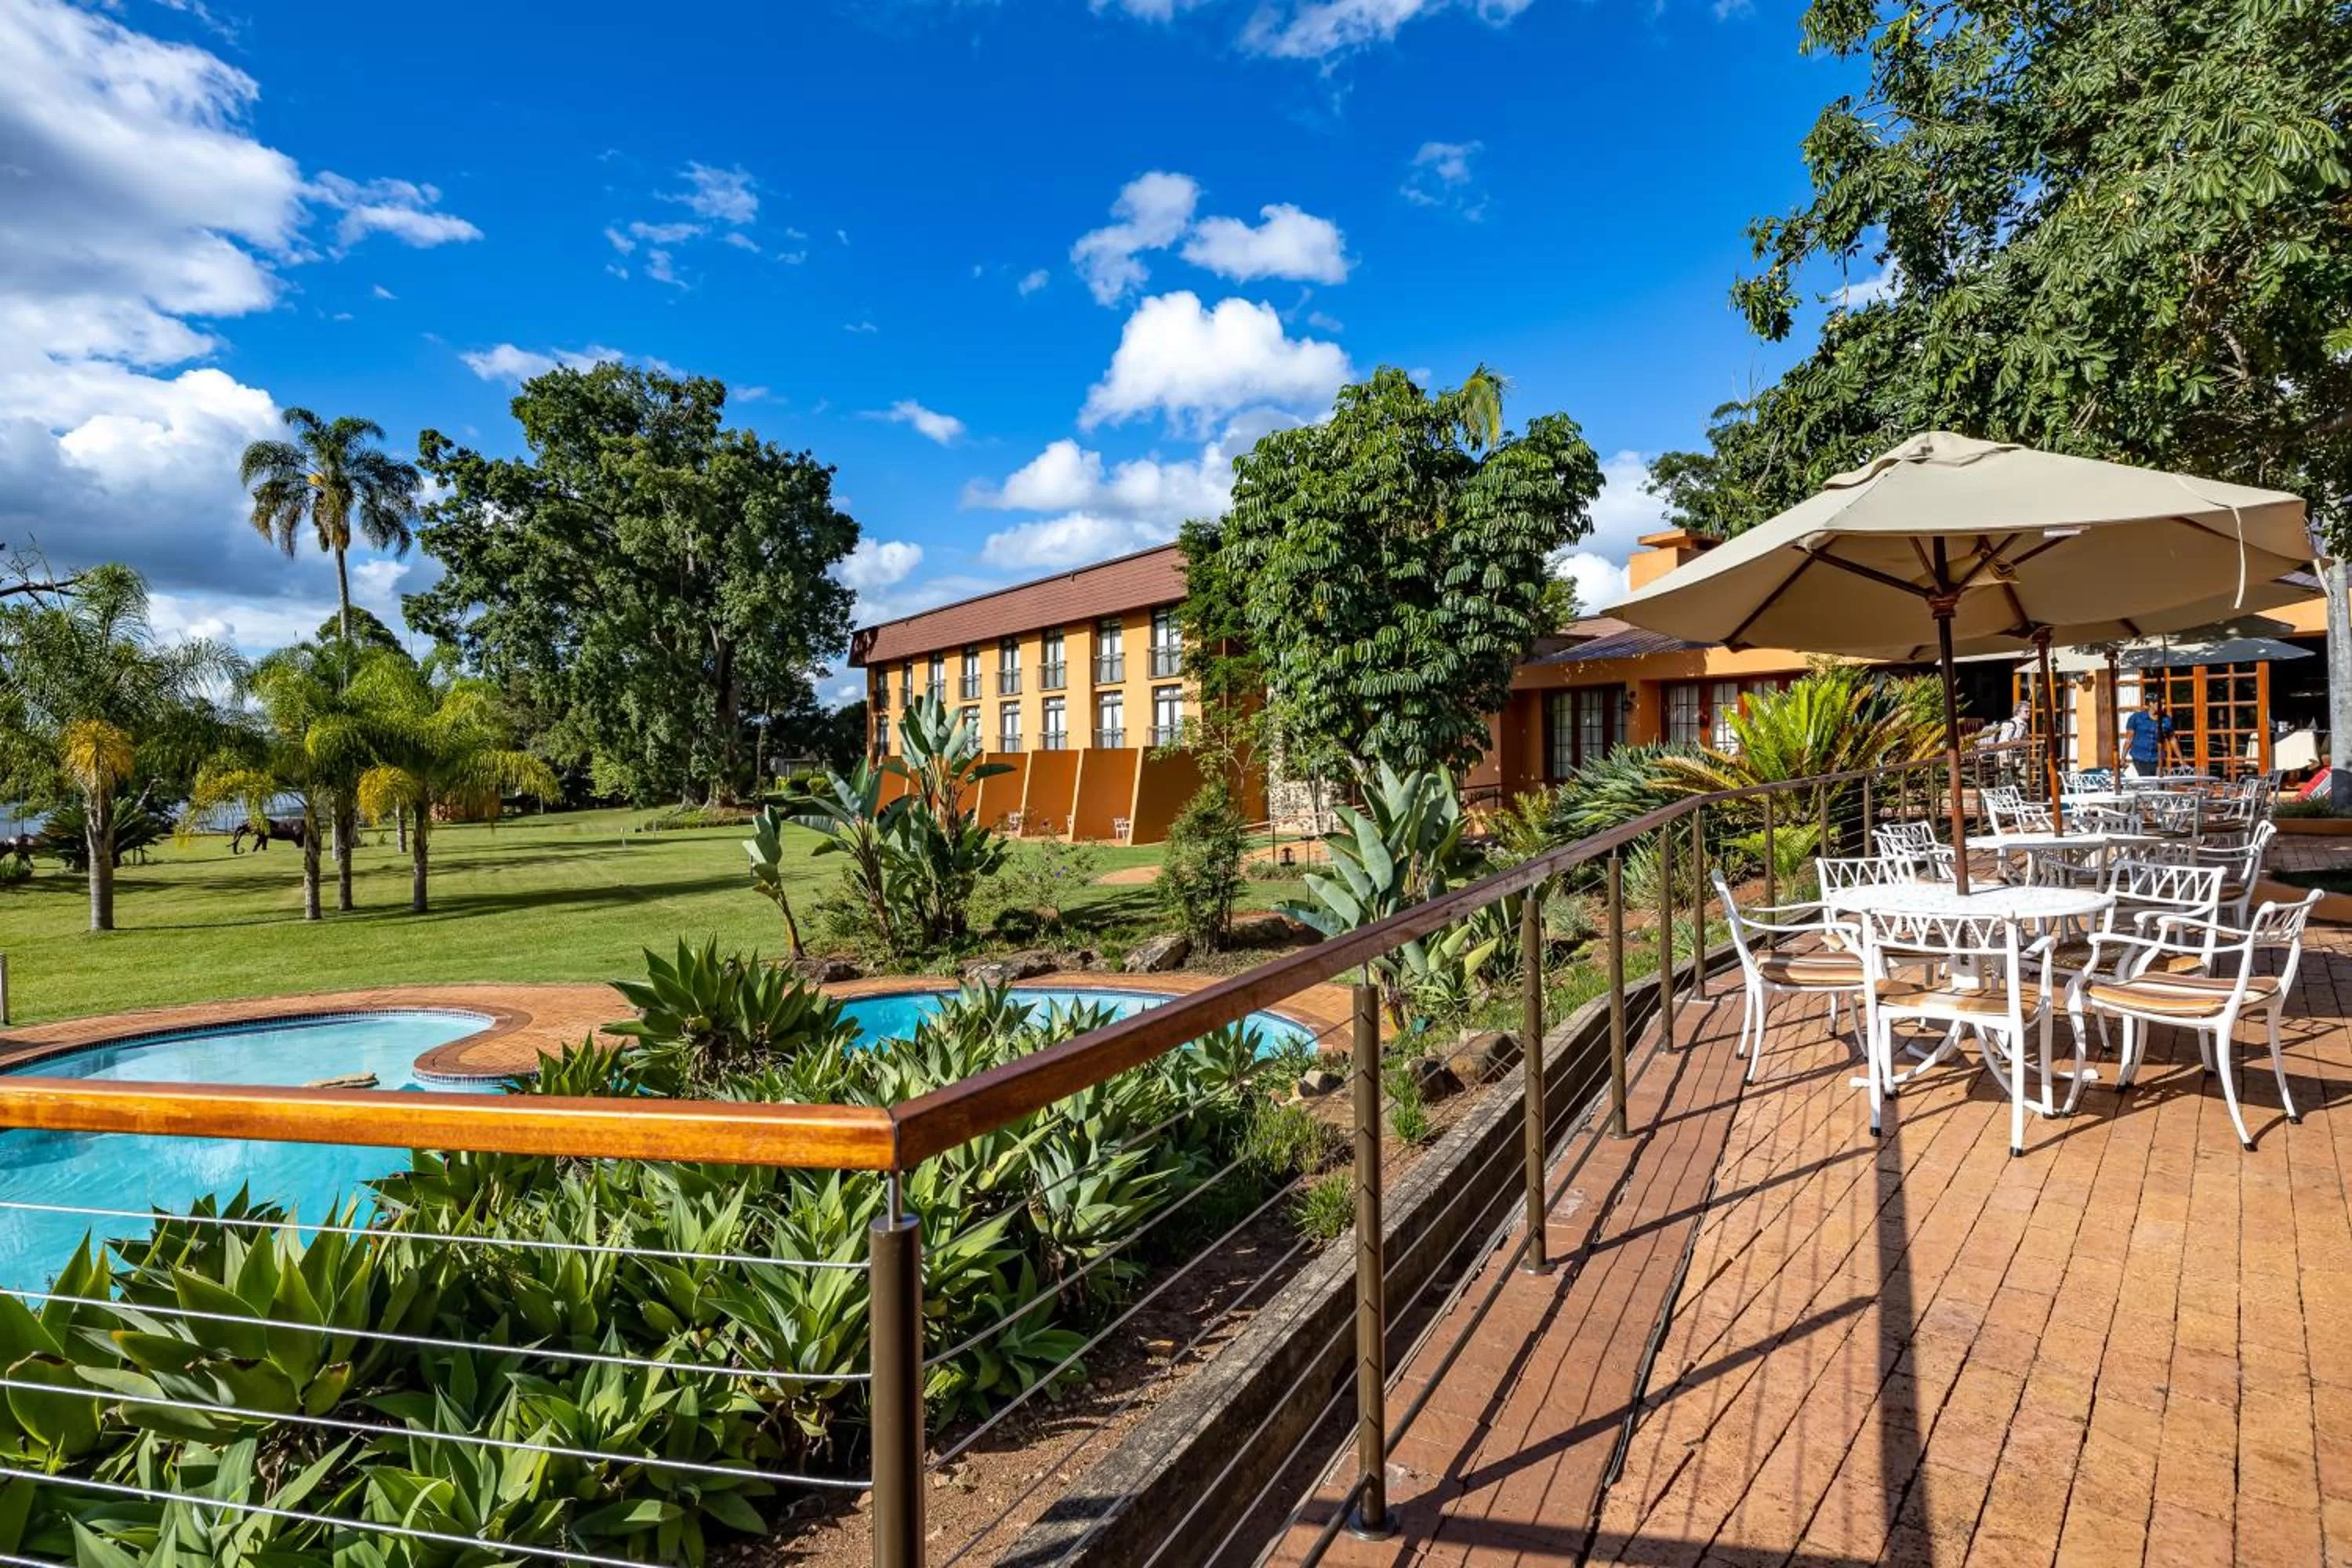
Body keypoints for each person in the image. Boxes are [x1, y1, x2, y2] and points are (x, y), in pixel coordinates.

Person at [2122, 698, 2176, 778]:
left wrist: (2181, 760)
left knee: (2160, 782)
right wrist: (2123, 757)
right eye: (2161, 704)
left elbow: (2172, 739)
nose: (2164, 707)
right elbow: (2129, 739)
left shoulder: (2166, 720)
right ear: (2151, 703)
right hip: (2140, 757)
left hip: (2158, 758)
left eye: (2165, 704)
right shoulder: (2137, 718)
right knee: (2148, 780)